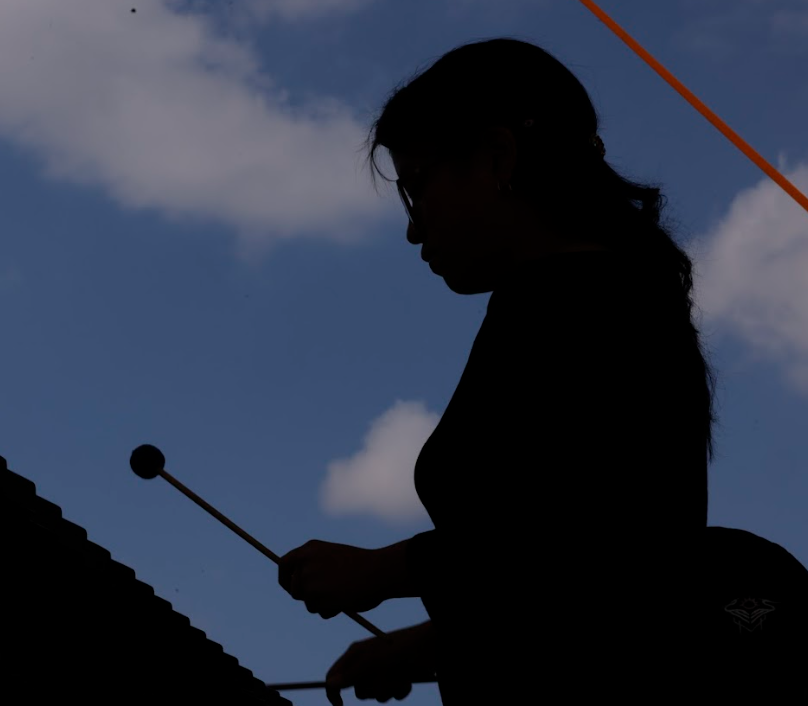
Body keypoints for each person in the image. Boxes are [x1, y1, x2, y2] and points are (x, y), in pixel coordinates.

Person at [278, 37, 720, 705]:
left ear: (495, 159)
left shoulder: (579, 309)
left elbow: (585, 543)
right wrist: (424, 645)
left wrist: (378, 570)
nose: (412, 229)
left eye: (415, 189)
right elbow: (586, 587)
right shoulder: (610, 302)